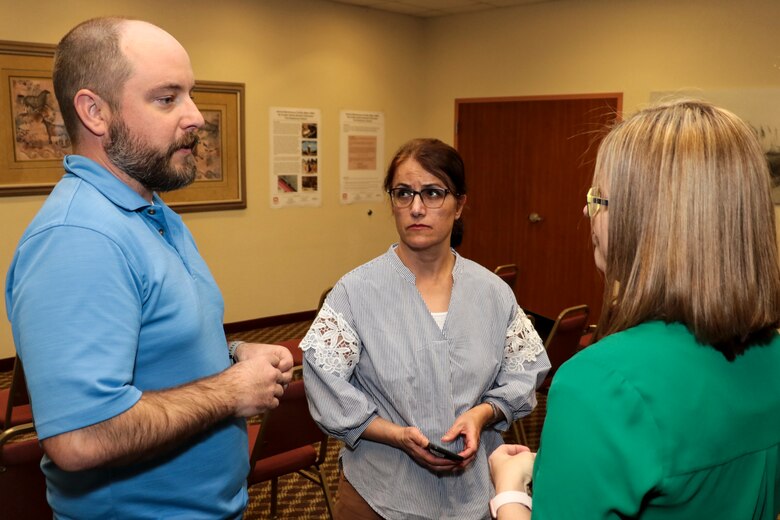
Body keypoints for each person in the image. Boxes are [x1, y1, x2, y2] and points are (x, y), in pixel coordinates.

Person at [4, 17, 294, 519]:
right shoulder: (80, 238)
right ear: (95, 112)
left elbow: (149, 347)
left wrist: (231, 354)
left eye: (191, 95)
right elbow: (78, 438)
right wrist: (230, 390)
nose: (196, 117)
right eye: (167, 98)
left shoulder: (153, 213)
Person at [488, 99, 780, 519]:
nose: (585, 212)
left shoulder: (600, 383)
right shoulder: (770, 357)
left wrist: (509, 492)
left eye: (598, 199)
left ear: (649, 221)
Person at [301, 137, 551, 519]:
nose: (416, 208)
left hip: (475, 493)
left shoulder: (492, 293)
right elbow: (324, 383)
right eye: (403, 193)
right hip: (378, 495)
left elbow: (525, 369)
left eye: (433, 193)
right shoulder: (355, 292)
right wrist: (394, 435)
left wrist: (484, 413)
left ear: (460, 204)